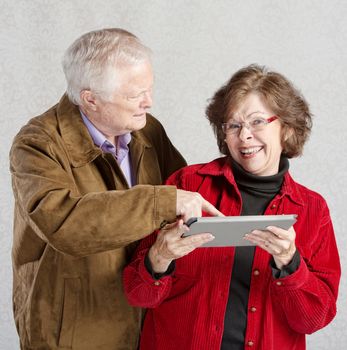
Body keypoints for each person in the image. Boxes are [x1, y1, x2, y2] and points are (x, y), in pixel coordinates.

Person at [9, 28, 222, 350]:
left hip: (147, 315)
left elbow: (186, 190)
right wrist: (160, 203)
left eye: (149, 90)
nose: (148, 103)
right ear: (90, 99)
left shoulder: (146, 129)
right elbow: (63, 223)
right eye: (135, 95)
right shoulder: (37, 143)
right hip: (73, 330)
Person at [123, 64, 341, 350]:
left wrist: (290, 263)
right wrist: (159, 257)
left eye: (258, 122)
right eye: (233, 125)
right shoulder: (186, 185)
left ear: (286, 128)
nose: (245, 136)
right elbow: (137, 295)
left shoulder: (312, 209)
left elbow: (314, 320)